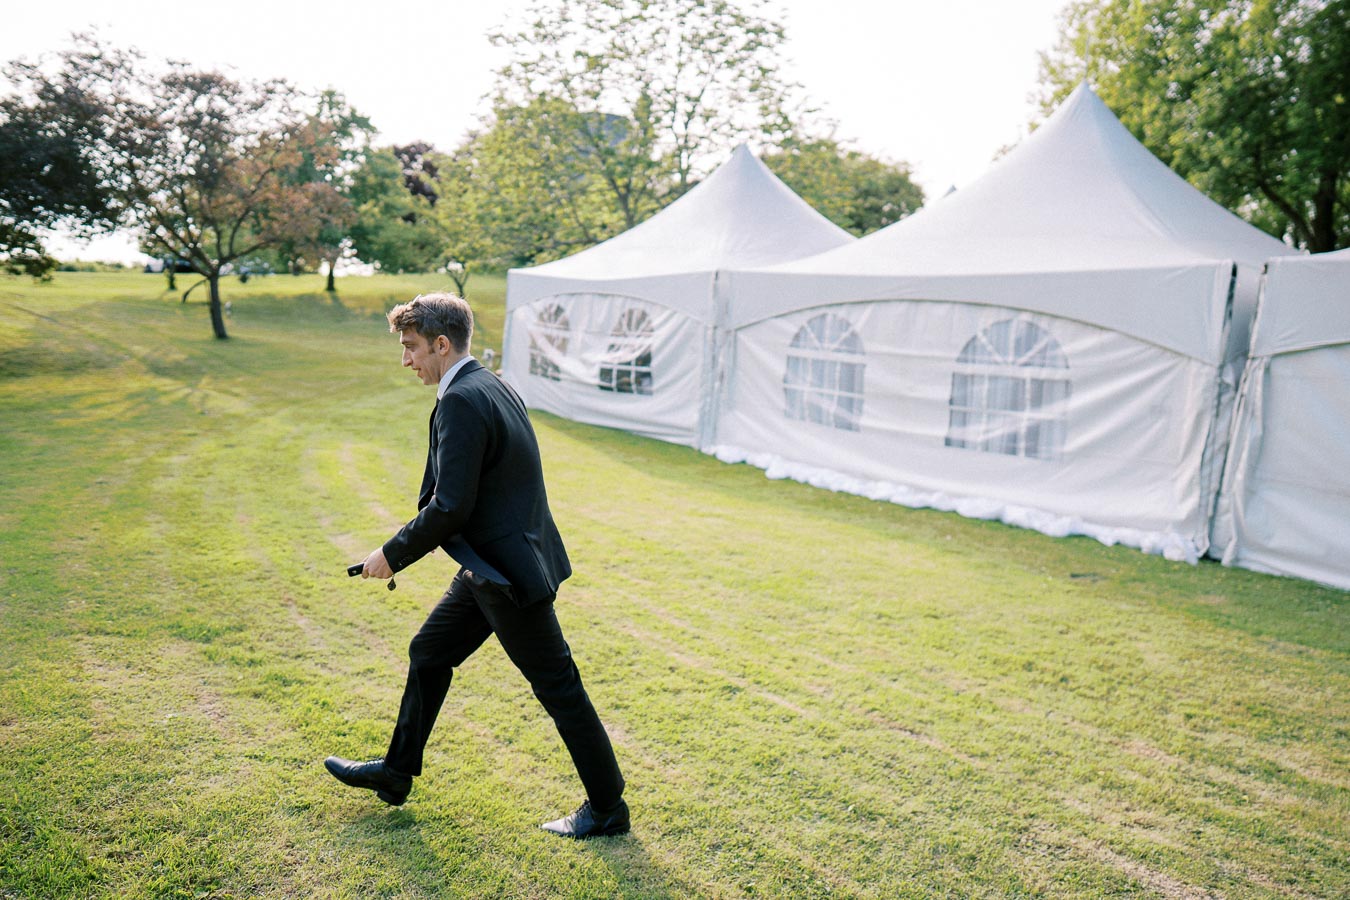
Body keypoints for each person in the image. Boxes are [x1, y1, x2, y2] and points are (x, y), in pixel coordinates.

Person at [324, 292, 628, 839]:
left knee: (559, 688)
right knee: (430, 651)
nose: (406, 360)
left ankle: (607, 809)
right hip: (488, 566)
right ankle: (395, 774)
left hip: (505, 577)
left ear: (442, 344)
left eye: (412, 347)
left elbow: (450, 505)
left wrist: (390, 555)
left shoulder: (464, 398)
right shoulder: (490, 383)